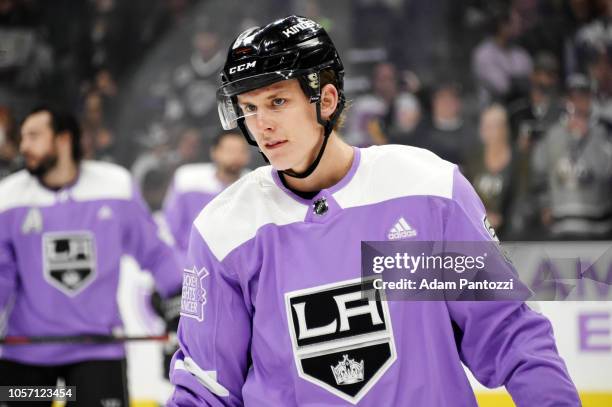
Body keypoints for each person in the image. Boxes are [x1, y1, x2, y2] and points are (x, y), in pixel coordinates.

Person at [169, 15, 580, 406]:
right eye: (250, 107)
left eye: (277, 101)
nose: (261, 125)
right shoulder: (225, 229)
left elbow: (508, 332)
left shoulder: (425, 191)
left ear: (326, 99)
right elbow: (205, 390)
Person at [0, 106, 183, 406]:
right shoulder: (8, 197)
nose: (23, 147)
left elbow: (154, 251)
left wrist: (177, 299)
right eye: (22, 138)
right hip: (25, 354)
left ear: (62, 139)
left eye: (33, 136)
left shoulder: (115, 186)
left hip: (97, 351)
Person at [531, 74, 612, 239]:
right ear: (566, 100)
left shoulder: (603, 132)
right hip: (561, 223)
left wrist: (588, 137)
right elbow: (538, 172)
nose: (578, 103)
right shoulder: (552, 134)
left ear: (591, 98)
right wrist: (545, 204)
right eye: (573, 98)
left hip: (598, 225)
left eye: (583, 97)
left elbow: (607, 172)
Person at [163, 130, 251, 257]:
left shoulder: (256, 186)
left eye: (242, 151)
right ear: (214, 152)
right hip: (188, 262)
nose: (236, 156)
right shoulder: (188, 180)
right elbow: (170, 225)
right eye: (230, 150)